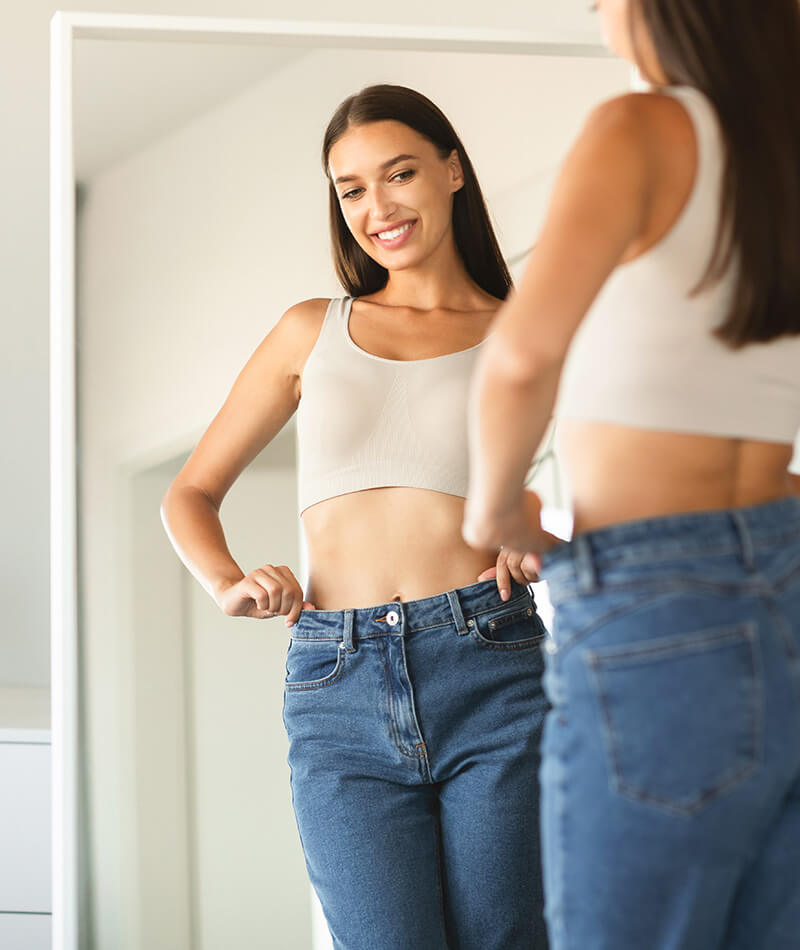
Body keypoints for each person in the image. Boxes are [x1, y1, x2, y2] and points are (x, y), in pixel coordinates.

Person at [161, 84, 550, 950]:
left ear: (452, 170)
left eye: (400, 173)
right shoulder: (312, 329)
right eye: (352, 189)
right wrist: (228, 583)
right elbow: (188, 492)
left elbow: (617, 503)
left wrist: (543, 544)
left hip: (488, 659)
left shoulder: (527, 331)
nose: (379, 207)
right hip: (336, 678)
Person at [462, 2, 800, 949]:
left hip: (659, 600)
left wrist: (500, 514)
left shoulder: (643, 126)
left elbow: (521, 358)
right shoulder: (781, 155)